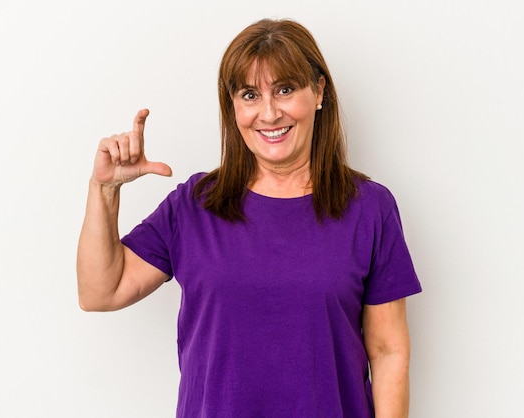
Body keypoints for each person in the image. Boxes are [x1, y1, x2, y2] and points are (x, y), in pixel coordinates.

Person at [77, 18, 422, 418]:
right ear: (233, 106)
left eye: (286, 89)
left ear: (319, 92)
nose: (269, 113)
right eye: (249, 94)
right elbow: (100, 292)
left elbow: (388, 351)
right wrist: (104, 190)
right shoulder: (195, 204)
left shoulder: (369, 208)